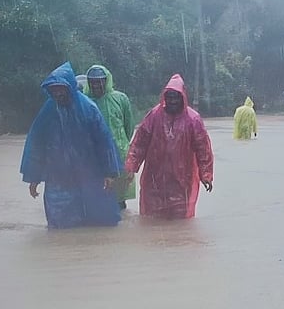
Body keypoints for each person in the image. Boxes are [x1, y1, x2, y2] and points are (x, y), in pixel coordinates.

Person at [20, 62, 122, 229]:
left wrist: (109, 173)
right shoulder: (48, 111)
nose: (58, 93)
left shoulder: (89, 108)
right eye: (54, 89)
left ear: (70, 87)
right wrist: (34, 178)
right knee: (61, 223)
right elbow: (37, 145)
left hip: (90, 171)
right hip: (59, 176)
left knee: (98, 219)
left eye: (61, 88)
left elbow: (104, 142)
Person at [124, 74, 214, 219]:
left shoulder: (193, 120)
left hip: (182, 181)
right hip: (154, 181)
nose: (172, 101)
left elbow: (203, 150)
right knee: (150, 220)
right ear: (164, 97)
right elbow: (139, 144)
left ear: (182, 98)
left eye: (176, 97)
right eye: (169, 97)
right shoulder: (153, 116)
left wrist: (206, 175)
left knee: (180, 223)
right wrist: (130, 168)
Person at [84, 65, 135, 210]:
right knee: (97, 197)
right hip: (93, 156)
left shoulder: (120, 98)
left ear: (106, 81)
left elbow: (129, 126)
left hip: (119, 153)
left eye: (100, 81)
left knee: (119, 199)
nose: (97, 85)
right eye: (93, 81)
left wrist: (120, 144)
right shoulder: (84, 101)